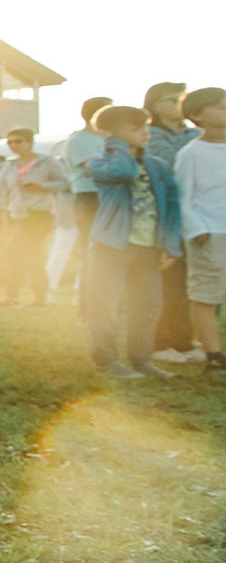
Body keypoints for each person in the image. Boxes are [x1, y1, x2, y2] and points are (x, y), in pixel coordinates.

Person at [83, 104, 181, 380]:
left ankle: (141, 360)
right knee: (105, 304)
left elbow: (172, 206)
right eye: (135, 128)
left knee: (148, 306)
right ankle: (106, 362)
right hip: (111, 245)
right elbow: (125, 171)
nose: (145, 133)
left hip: (149, 246)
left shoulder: (158, 166)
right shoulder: (100, 164)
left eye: (146, 127)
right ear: (112, 133)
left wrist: (170, 245)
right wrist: (116, 145)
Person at [144, 82, 204, 363]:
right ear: (156, 105)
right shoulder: (152, 135)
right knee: (170, 281)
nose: (181, 104)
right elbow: (172, 163)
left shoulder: (193, 133)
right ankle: (162, 343)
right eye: (174, 99)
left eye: (183, 98)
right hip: (166, 215)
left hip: (197, 213)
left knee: (191, 282)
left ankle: (183, 341)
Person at [170, 87, 226, 372]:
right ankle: (213, 354)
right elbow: (183, 196)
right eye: (220, 107)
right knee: (206, 294)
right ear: (197, 116)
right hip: (210, 232)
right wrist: (197, 230)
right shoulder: (191, 153)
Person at [0, 125, 65, 306]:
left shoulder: (47, 162)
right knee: (33, 256)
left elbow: (66, 183)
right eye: (9, 142)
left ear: (29, 142)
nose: (13, 145)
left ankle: (12, 295)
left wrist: (43, 187)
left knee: (13, 252)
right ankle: (39, 297)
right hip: (17, 214)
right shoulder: (10, 165)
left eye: (18, 141)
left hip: (39, 214)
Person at [61, 96, 114, 312]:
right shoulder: (78, 140)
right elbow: (98, 168)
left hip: (111, 198)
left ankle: (108, 307)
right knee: (92, 253)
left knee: (110, 254)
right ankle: (87, 307)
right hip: (89, 199)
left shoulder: (110, 140)